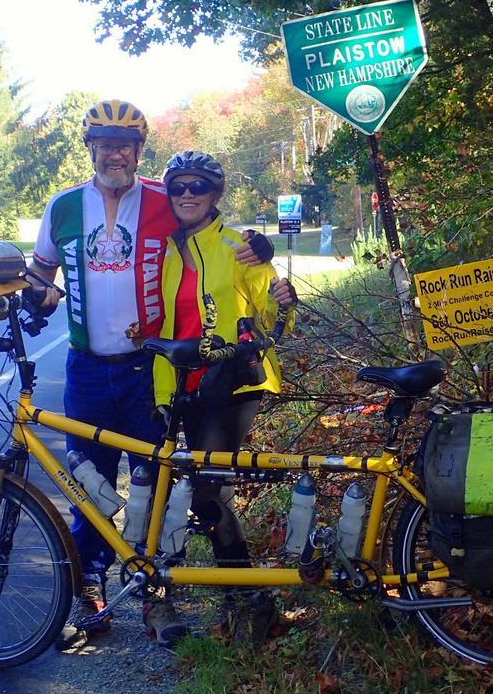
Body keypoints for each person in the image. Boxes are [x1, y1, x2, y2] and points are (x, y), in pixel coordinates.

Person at [28, 100, 274, 651]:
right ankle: (88, 591)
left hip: (149, 369)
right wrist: (33, 291)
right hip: (87, 367)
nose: (114, 153)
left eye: (125, 145)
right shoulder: (64, 207)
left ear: (139, 152)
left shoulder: (165, 200)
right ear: (89, 149)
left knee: (154, 482)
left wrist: (255, 244)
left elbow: (212, 229)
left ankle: (156, 599)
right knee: (87, 483)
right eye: (104, 144)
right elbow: (41, 269)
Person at [152, 151, 297, 645]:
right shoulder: (170, 250)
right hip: (186, 383)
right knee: (197, 491)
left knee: (210, 492)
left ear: (215, 195)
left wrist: (284, 304)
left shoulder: (240, 247)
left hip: (234, 379)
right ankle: (240, 595)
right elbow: (173, 323)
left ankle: (253, 602)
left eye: (199, 187)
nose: (187, 195)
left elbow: (273, 315)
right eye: (179, 187)